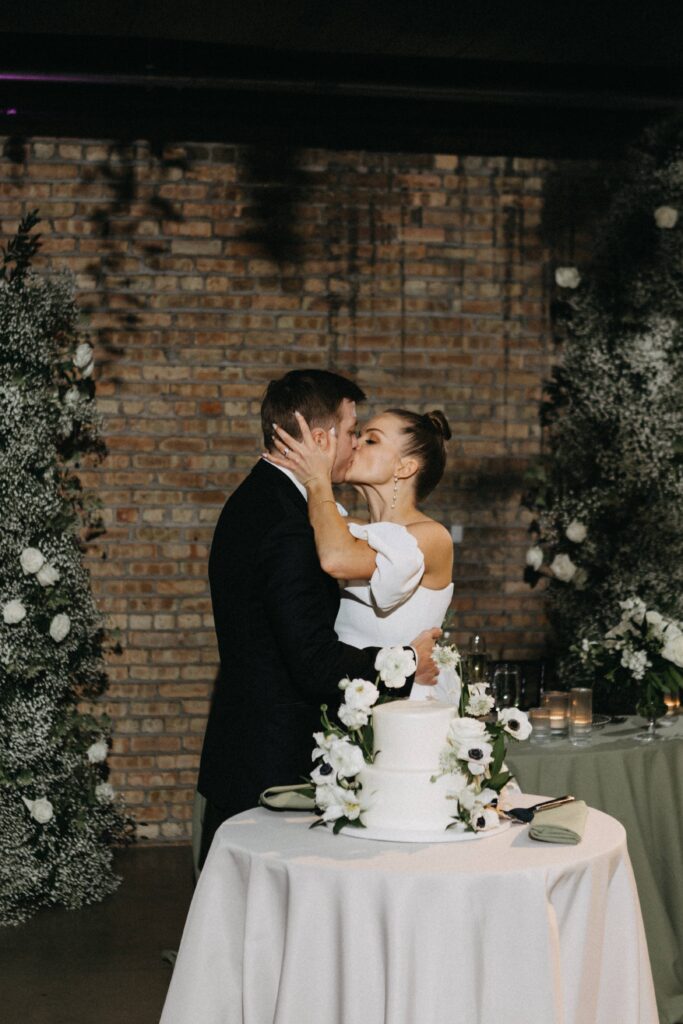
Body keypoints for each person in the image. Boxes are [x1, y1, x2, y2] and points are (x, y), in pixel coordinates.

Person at [197, 370, 441, 867]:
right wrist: (405, 662)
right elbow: (311, 661)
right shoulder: (290, 524)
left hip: (257, 748)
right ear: (322, 438)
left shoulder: (262, 500)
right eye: (355, 432)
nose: (354, 445)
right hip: (273, 766)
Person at [266, 408, 455, 699]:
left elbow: (336, 559)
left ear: (404, 468)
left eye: (372, 441)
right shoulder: (350, 530)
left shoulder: (432, 537)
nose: (355, 443)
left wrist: (318, 480)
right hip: (352, 699)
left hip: (410, 704)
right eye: (359, 435)